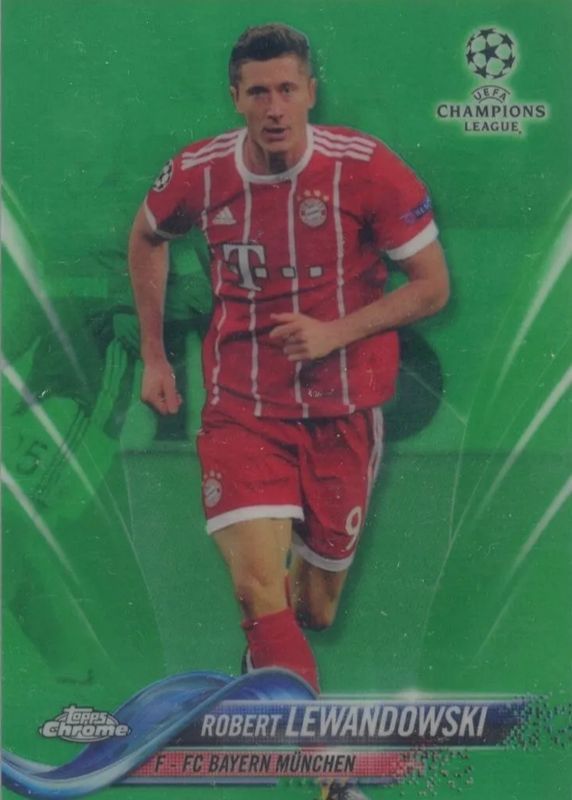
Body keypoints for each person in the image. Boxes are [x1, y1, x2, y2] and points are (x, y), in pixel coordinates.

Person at [129, 18, 448, 706]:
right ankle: (311, 751)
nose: (274, 108)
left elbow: (432, 286)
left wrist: (336, 333)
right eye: (258, 93)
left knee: (314, 610)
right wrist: (155, 355)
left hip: (343, 411)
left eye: (286, 90)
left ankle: (269, 654)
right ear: (235, 98)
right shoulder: (199, 173)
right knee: (256, 590)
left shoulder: (367, 168)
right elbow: (148, 234)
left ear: (310, 92)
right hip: (243, 409)